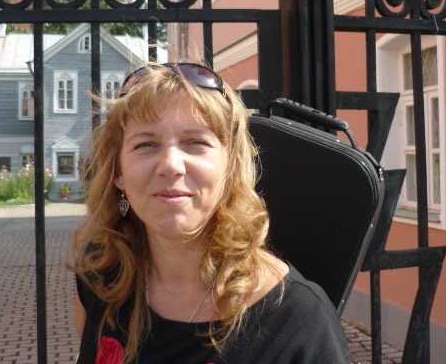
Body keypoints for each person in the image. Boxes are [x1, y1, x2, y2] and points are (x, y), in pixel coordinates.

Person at [71, 62, 352, 363]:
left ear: (231, 167)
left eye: (195, 142)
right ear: (118, 172)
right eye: (146, 144)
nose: (170, 165)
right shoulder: (99, 275)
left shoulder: (297, 319)